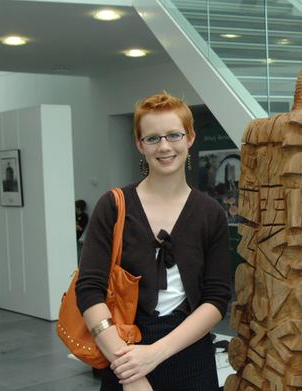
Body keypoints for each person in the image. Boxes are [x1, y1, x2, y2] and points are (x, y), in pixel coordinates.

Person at [76, 92, 231, 391]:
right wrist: (130, 371)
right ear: (139, 144)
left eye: (174, 135)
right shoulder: (114, 205)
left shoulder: (209, 213)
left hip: (189, 353)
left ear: (190, 138)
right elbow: (90, 290)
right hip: (123, 350)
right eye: (152, 138)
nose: (164, 146)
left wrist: (155, 354)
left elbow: (216, 299)